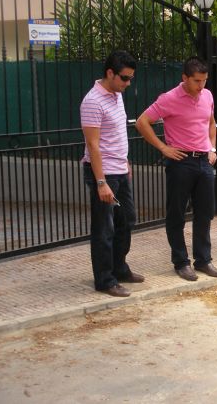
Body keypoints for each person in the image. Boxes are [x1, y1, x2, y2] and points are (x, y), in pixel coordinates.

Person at [135, 56, 217, 281]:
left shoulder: (207, 95)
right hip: (181, 161)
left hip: (204, 161)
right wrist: (163, 148)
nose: (201, 86)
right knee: (176, 214)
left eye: (204, 81)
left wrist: (212, 148)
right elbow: (142, 122)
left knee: (205, 213)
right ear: (184, 78)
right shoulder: (169, 99)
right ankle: (181, 262)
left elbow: (211, 122)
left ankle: (203, 260)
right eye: (196, 81)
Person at [80, 50, 145, 297]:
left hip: (120, 170)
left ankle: (119, 268)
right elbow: (93, 145)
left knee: (126, 221)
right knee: (104, 228)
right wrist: (100, 182)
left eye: (130, 78)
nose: (128, 83)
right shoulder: (92, 101)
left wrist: (125, 162)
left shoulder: (116, 95)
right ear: (110, 73)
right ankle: (105, 280)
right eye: (125, 78)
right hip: (103, 175)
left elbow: (115, 134)